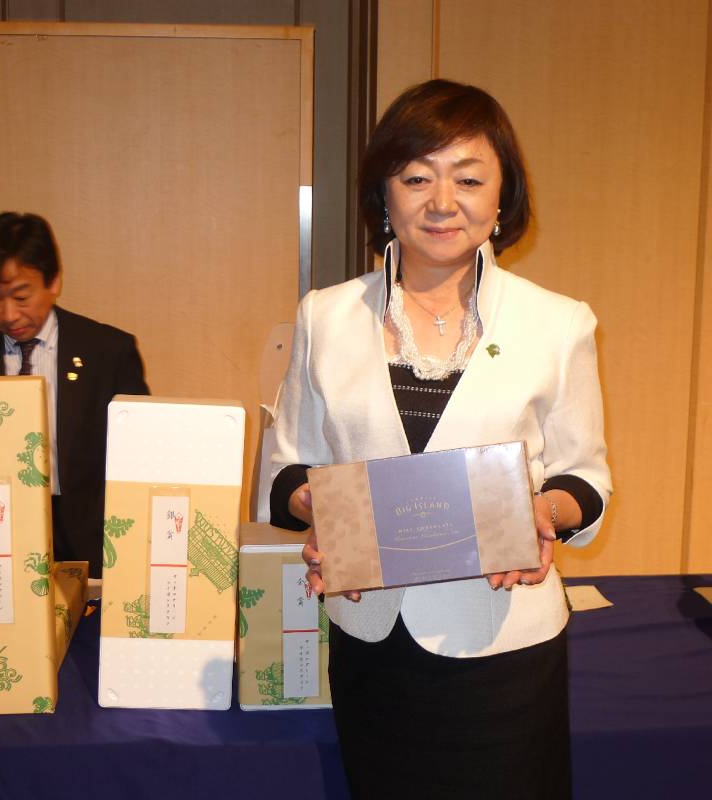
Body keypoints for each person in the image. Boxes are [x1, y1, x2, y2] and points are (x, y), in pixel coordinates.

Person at [270, 79, 612, 799]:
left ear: (502, 195)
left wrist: (541, 514)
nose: (442, 201)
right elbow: (288, 466)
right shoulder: (325, 316)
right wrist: (322, 509)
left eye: (469, 179)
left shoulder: (558, 324)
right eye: (417, 177)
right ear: (384, 194)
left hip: (504, 641)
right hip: (371, 637)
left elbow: (586, 478)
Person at [0, 212, 149, 577]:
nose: (9, 314)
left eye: (22, 297)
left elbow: (139, 446)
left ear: (54, 282)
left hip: (88, 534)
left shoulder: (108, 350)